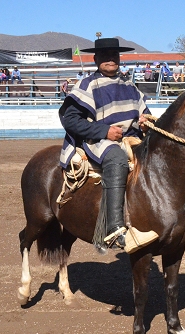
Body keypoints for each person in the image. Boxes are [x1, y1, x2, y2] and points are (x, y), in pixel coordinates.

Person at [58, 37, 158, 253]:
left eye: (115, 55)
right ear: (96, 59)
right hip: (97, 140)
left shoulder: (130, 86)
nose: (111, 59)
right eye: (105, 55)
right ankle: (115, 229)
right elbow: (70, 120)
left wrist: (145, 123)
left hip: (131, 139)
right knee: (116, 158)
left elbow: (145, 114)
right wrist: (104, 131)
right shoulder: (87, 85)